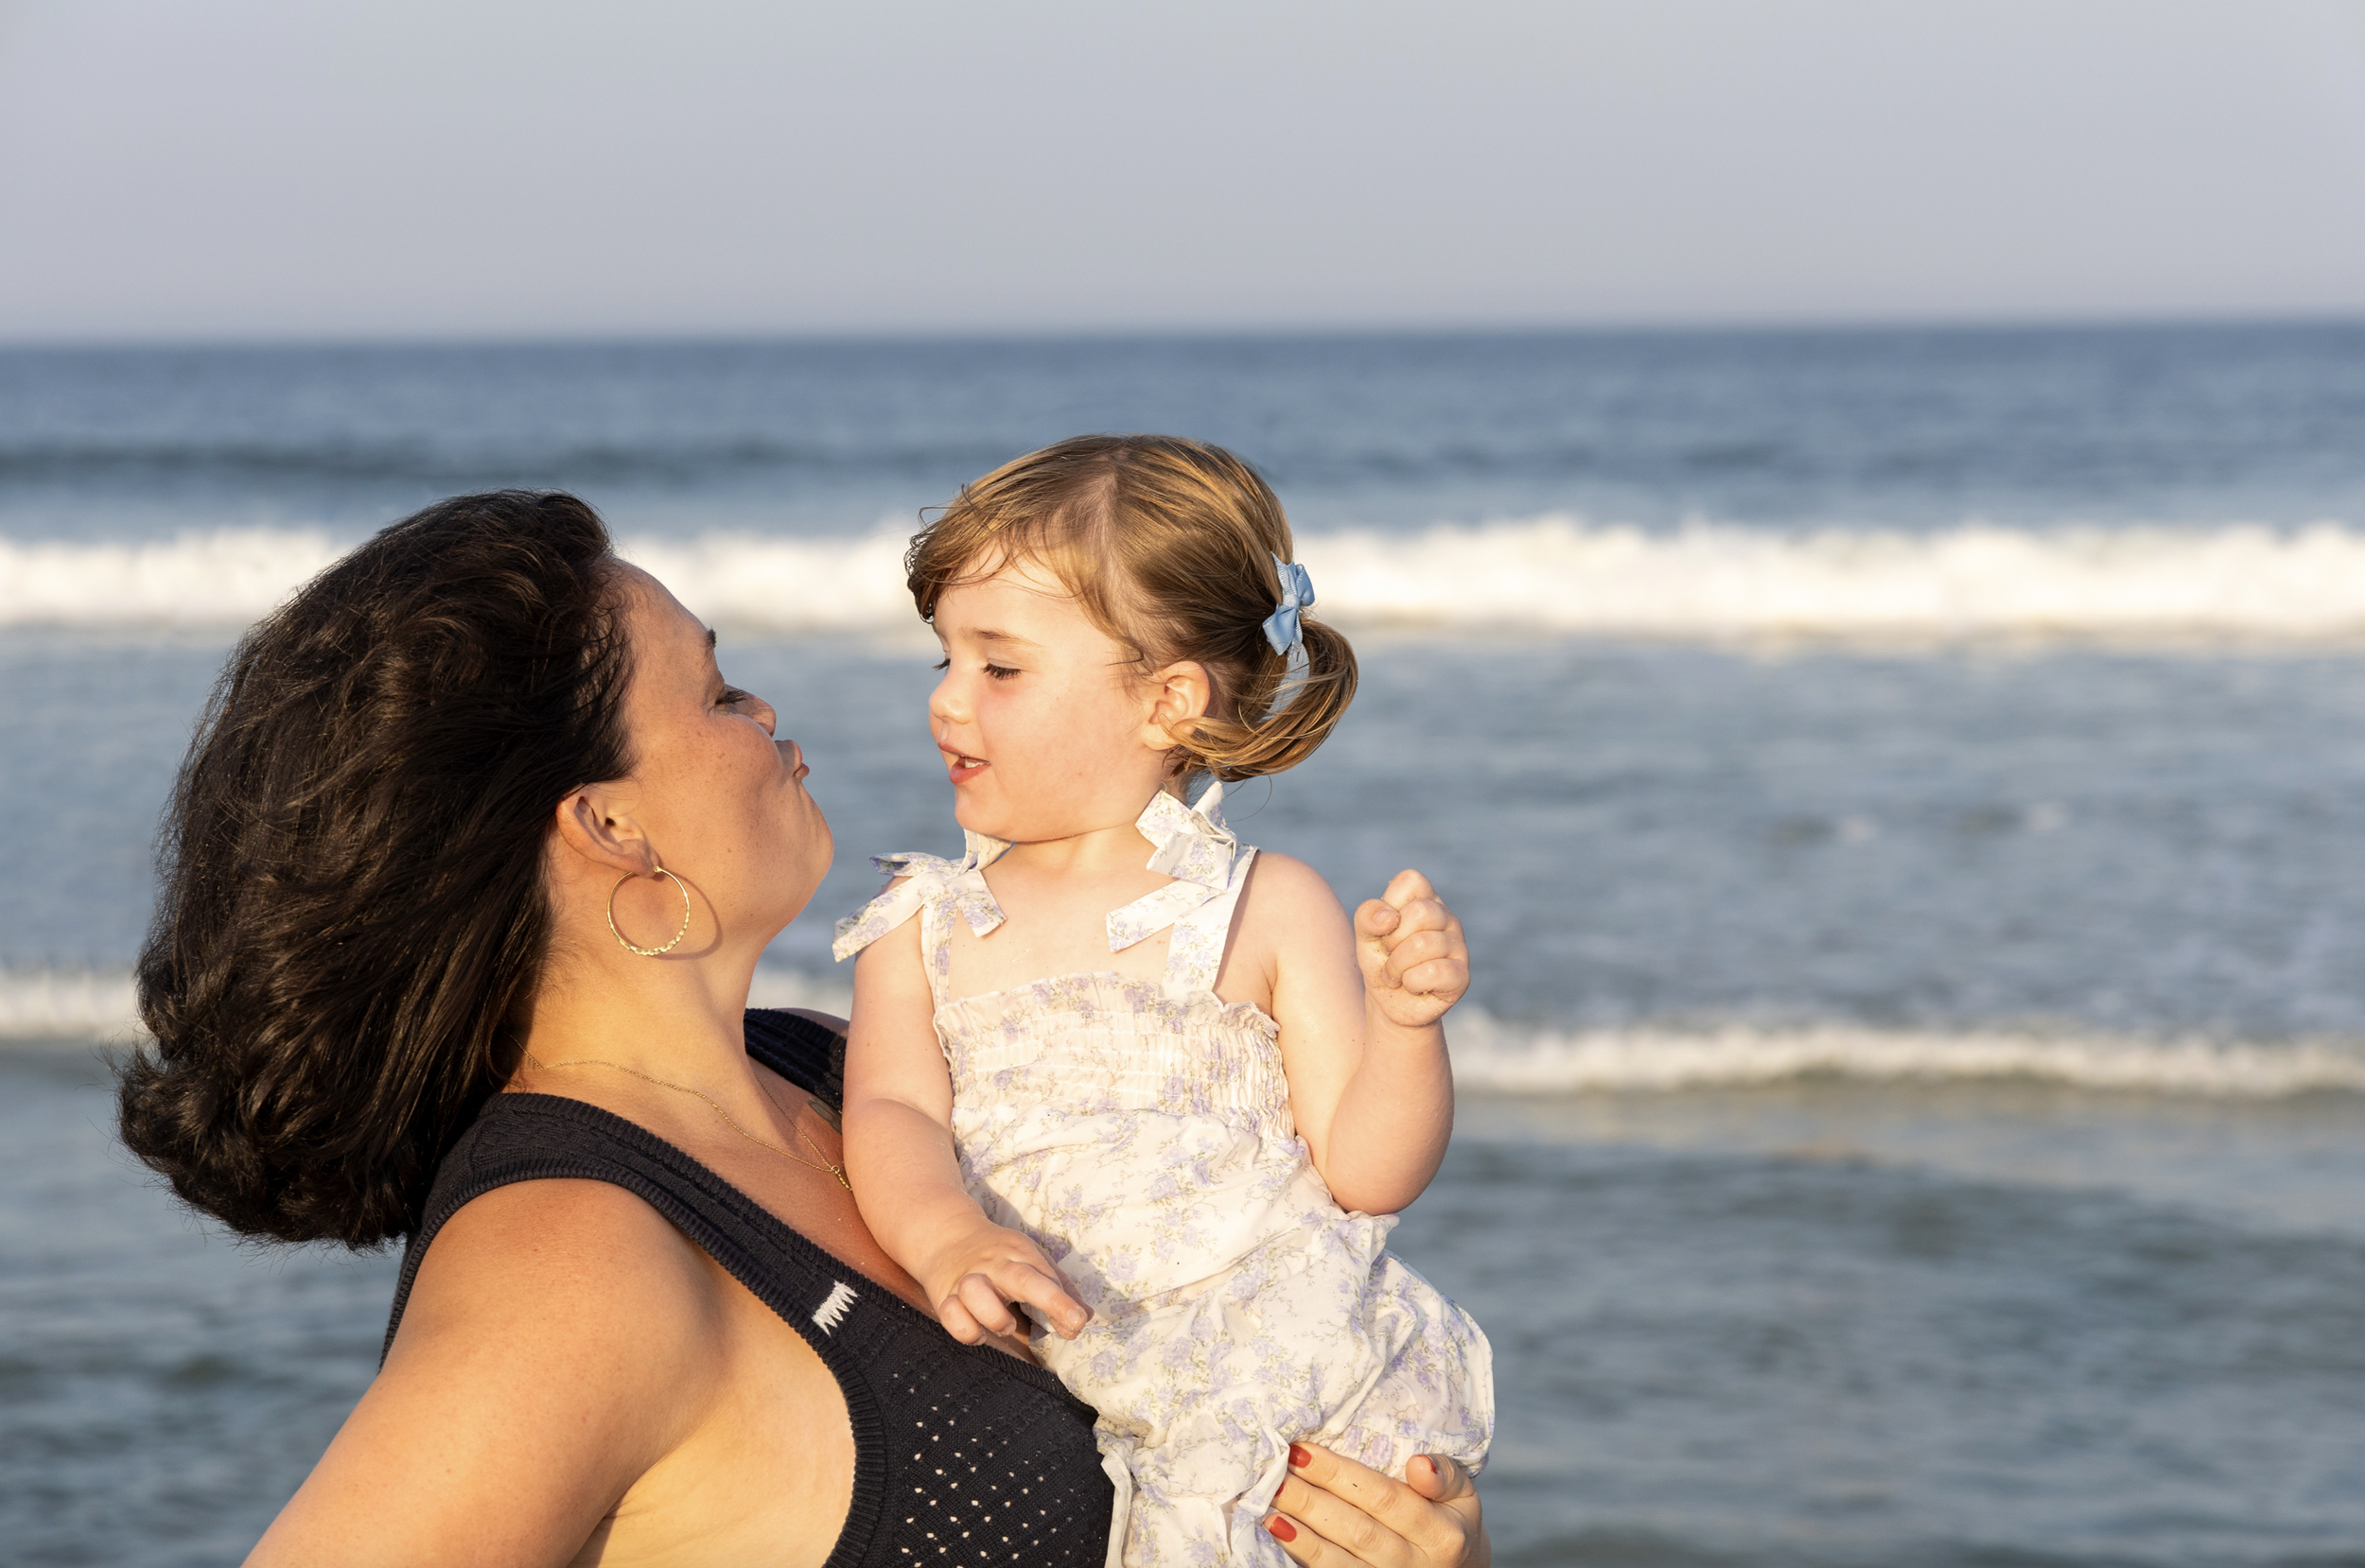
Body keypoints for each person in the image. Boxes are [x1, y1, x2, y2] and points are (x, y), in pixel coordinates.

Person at [116, 488, 1492, 1568]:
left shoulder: (835, 1070)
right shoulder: (570, 1262)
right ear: (610, 827)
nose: (769, 710)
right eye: (716, 693)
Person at [832, 437, 1493, 1568]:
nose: (945, 702)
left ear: (1165, 701)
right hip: (1085, 1361)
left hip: (1286, 1361)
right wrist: (944, 1233)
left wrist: (1404, 1028)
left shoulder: (1264, 905)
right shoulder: (920, 924)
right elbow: (890, 1113)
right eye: (941, 658)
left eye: (999, 667)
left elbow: (1366, 1170)